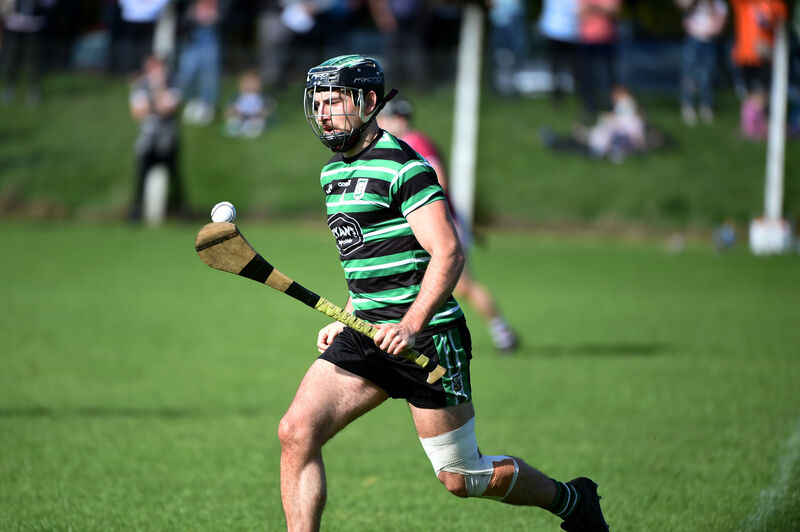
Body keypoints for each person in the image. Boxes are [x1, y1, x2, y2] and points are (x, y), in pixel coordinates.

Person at [280, 54, 609, 532]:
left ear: (369, 102)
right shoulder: (333, 174)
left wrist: (410, 326)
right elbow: (371, 259)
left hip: (429, 338)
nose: (325, 114)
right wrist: (349, 311)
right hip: (367, 333)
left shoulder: (404, 167)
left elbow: (448, 253)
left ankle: (572, 499)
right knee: (295, 432)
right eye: (319, 103)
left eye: (336, 103)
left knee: (462, 477)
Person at [377, 98, 519, 353]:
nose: (380, 123)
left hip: (442, 223)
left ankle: (502, 332)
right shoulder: (398, 146)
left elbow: (438, 181)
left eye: (384, 118)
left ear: (399, 119)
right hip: (429, 224)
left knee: (463, 284)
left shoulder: (416, 142)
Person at [128, 54, 187, 222]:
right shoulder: (139, 86)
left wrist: (158, 90)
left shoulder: (173, 84)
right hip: (148, 140)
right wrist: (156, 103)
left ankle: (180, 211)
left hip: (168, 140)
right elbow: (138, 112)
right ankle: (136, 211)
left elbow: (168, 108)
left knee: (176, 178)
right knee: (141, 178)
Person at [675, 0, 729, 125]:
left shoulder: (719, 5)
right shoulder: (694, 3)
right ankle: (687, 106)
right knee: (688, 76)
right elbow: (681, 5)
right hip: (692, 42)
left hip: (709, 43)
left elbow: (718, 28)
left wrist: (710, 7)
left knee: (707, 77)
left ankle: (707, 107)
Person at [575, 0, 621, 123]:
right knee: (587, 76)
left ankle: (611, 108)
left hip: (606, 38)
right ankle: (590, 108)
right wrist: (601, 9)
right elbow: (580, 12)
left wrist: (593, 7)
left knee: (609, 77)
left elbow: (613, 10)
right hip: (587, 38)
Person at [538, 0, 580, 106]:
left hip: (565, 29)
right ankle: (561, 95)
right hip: (561, 29)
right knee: (560, 66)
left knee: (564, 66)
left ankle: (564, 96)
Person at [224, 68, 273, 138]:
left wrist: (261, 113)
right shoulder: (237, 96)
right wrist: (233, 111)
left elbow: (269, 108)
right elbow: (228, 110)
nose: (250, 87)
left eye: (254, 85)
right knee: (233, 121)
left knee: (257, 122)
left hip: (254, 117)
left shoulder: (262, 97)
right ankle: (235, 130)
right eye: (247, 84)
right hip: (240, 115)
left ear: (260, 86)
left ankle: (250, 130)